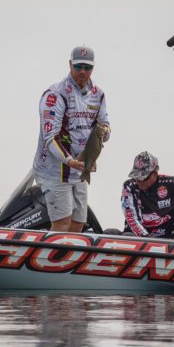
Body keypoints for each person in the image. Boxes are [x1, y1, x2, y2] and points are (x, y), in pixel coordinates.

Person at [33, 46, 110, 233]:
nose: (83, 71)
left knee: (78, 224)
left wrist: (102, 136)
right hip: (54, 170)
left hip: (80, 168)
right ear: (70, 65)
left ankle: (67, 261)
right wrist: (70, 161)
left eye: (87, 67)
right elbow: (50, 137)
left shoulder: (98, 94)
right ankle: (49, 261)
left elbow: (105, 128)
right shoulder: (56, 94)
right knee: (62, 224)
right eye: (78, 67)